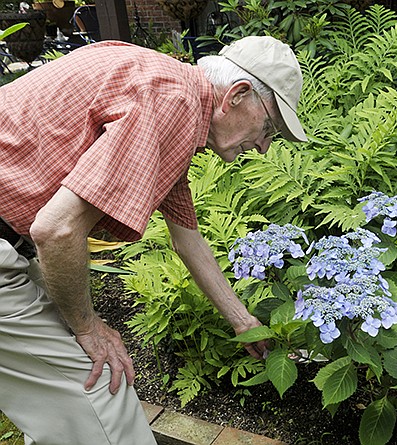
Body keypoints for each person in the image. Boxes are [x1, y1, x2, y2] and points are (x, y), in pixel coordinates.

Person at [0, 35, 307, 445]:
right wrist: (89, 328)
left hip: (10, 245)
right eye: (269, 126)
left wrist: (243, 322)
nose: (266, 147)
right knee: (101, 395)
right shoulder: (170, 102)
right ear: (236, 95)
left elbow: (188, 239)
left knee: (66, 413)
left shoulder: (171, 88)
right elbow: (56, 231)